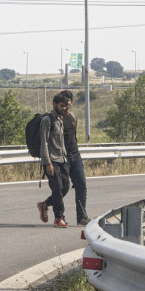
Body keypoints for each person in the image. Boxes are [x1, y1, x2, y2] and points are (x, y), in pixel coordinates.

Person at [36, 92, 70, 228]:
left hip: (63, 159)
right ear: (54, 104)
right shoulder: (47, 120)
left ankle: (44, 205)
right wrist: (48, 162)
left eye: (65, 106)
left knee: (65, 188)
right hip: (51, 160)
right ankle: (59, 217)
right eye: (61, 106)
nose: (64, 108)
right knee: (57, 188)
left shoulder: (61, 119)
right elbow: (43, 143)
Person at [59, 90, 90, 226]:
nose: (66, 107)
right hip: (62, 157)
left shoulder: (73, 116)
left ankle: (81, 216)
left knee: (81, 185)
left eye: (69, 103)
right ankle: (51, 208)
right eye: (64, 104)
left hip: (75, 155)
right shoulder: (54, 118)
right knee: (62, 188)